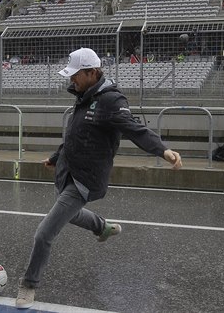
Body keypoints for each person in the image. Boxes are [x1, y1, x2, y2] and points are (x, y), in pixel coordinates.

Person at [15, 48, 183, 309]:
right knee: (67, 213)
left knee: (44, 233)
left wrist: (163, 150)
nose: (72, 80)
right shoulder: (84, 95)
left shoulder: (111, 102)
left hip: (85, 178)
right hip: (68, 171)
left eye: (76, 75)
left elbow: (135, 129)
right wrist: (56, 157)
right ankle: (102, 227)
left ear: (92, 73)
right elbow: (76, 134)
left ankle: (28, 285)